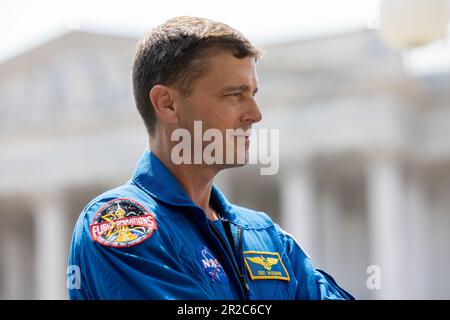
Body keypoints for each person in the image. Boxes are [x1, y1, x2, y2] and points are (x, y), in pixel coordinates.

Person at [67, 16, 354, 300]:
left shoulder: (263, 235)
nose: (255, 114)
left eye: (252, 93)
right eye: (233, 95)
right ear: (167, 104)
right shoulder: (120, 225)